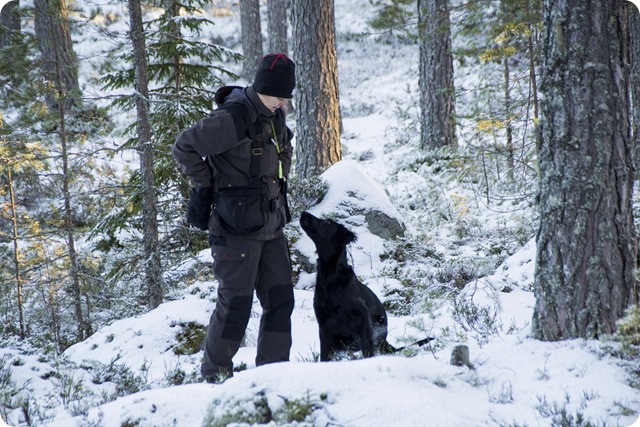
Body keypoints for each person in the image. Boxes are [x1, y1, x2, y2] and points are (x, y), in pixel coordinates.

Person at [172, 53, 296, 382]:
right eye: (279, 97)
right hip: (235, 231)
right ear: (262, 89)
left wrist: (280, 170)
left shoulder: (274, 115)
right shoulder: (232, 117)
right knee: (235, 308)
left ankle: (274, 377)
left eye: (286, 98)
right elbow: (184, 147)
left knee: (281, 301)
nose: (283, 104)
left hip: (271, 226)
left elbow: (284, 148)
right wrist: (207, 183)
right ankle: (215, 379)